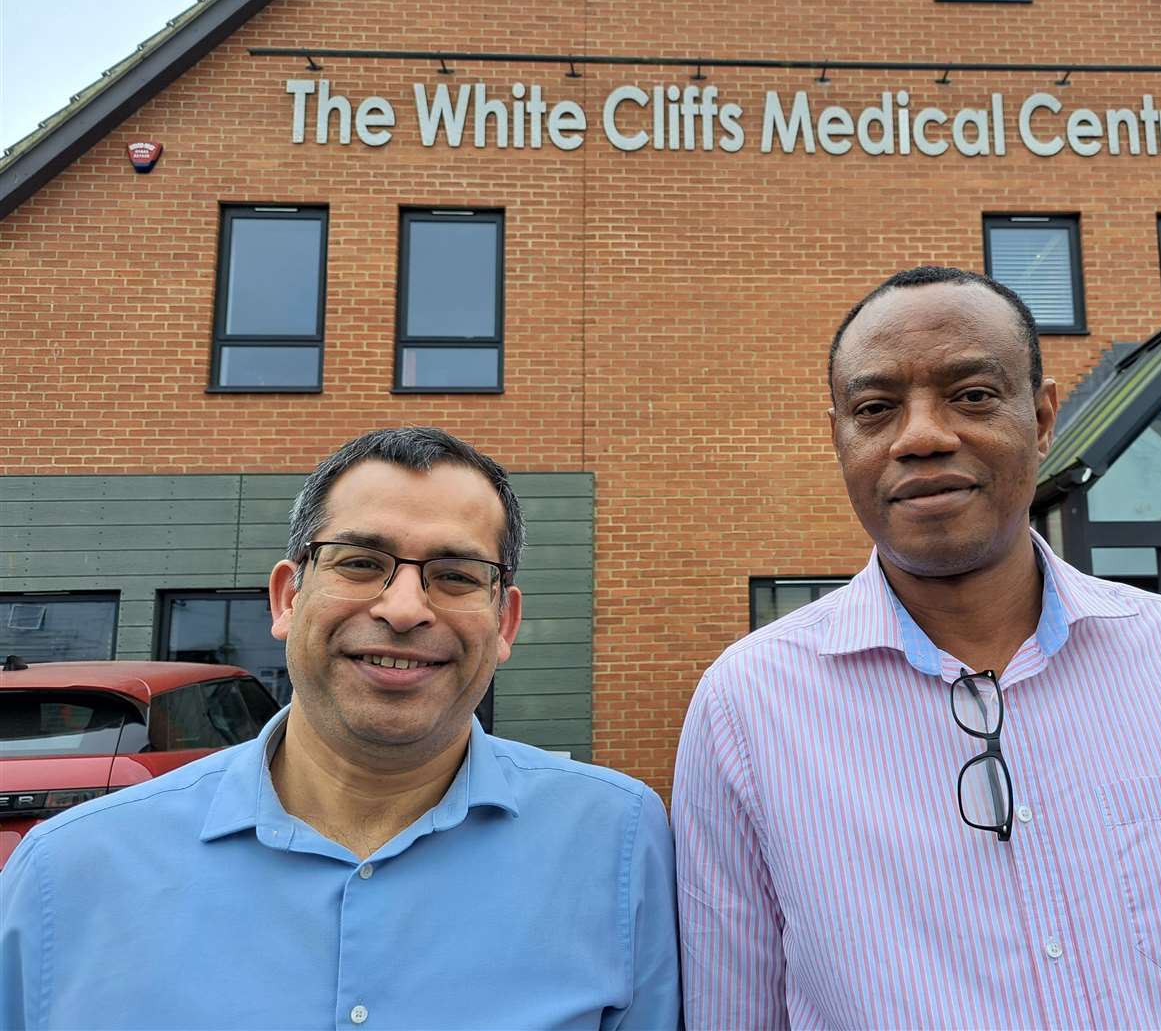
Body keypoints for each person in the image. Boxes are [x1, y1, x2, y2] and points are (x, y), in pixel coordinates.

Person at [673, 267, 1161, 1029]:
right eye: (875, 409)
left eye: (971, 396)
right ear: (840, 439)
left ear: (1041, 420)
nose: (923, 436)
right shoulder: (747, 706)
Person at [2, 427, 679, 1030]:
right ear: (288, 598)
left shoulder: (616, 845)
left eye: (456, 574)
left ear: (504, 622)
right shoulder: (66, 876)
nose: (406, 607)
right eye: (361, 563)